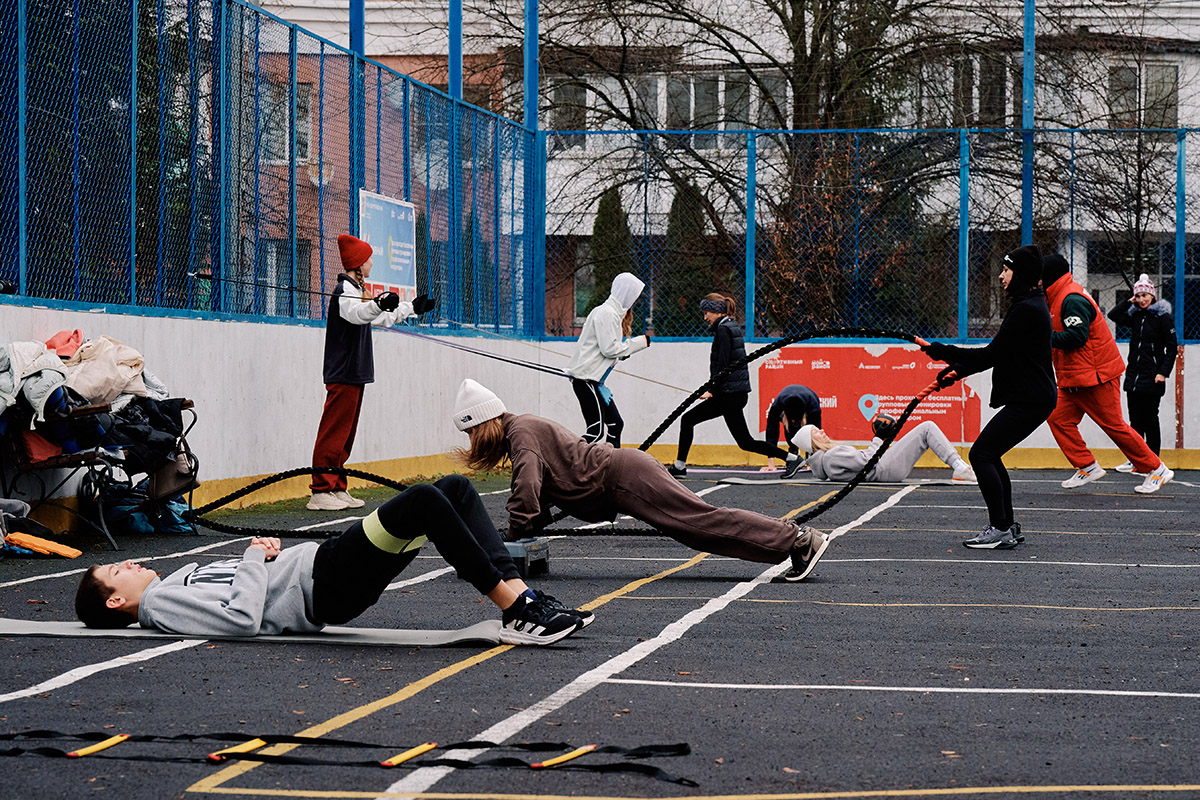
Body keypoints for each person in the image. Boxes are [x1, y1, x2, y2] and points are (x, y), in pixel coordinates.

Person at [74, 476, 588, 645]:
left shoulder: (177, 582)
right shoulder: (160, 604)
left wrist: (262, 557)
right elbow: (240, 620)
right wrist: (254, 556)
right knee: (426, 500)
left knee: (452, 490)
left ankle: (524, 599)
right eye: (119, 571)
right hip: (325, 583)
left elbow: (243, 590)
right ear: (117, 601)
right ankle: (515, 609)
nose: (131, 566)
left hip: (327, 569)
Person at [452, 378, 830, 583]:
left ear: (483, 423)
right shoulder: (523, 428)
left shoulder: (521, 435)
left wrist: (512, 533)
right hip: (625, 475)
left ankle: (797, 540)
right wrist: (523, 526)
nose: (472, 442)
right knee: (698, 526)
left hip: (624, 478)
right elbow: (546, 489)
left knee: (701, 523)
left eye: (471, 433)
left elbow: (526, 489)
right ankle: (794, 540)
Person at [919, 245, 1057, 549]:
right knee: (989, 454)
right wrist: (956, 370)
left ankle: (1001, 528)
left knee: (981, 454)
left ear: (1021, 274)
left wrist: (944, 353)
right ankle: (1006, 526)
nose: (1001, 276)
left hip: (1032, 399)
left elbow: (990, 355)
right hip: (1034, 397)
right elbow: (1001, 354)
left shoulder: (1026, 309)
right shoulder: (1028, 305)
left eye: (1006, 270)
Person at [308, 234, 436, 511]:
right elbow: (357, 314)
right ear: (358, 264)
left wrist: (411, 308)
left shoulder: (357, 289)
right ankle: (320, 491)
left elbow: (378, 316)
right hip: (343, 371)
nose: (372, 263)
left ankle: (336, 486)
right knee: (334, 432)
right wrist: (378, 303)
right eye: (368, 259)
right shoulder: (344, 289)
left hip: (356, 371)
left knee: (345, 435)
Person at [1040, 254, 1173, 494]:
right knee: (1057, 417)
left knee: (1115, 426)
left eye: (1039, 276)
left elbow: (1076, 337)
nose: (1037, 281)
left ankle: (1157, 469)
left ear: (1048, 276)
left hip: (1096, 376)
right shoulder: (1059, 296)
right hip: (1077, 377)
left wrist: (1042, 337)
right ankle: (1087, 466)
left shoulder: (1071, 298)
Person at [668, 293, 802, 479]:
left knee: (688, 420)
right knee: (745, 442)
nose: (705, 317)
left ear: (717, 312)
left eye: (706, 313)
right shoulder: (731, 325)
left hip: (729, 395)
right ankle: (792, 458)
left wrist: (712, 391)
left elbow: (724, 365)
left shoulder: (723, 330)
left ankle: (679, 466)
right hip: (734, 394)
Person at [564, 272, 650, 447]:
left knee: (616, 424)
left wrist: (624, 352)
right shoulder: (607, 313)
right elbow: (610, 349)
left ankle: (611, 463)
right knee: (595, 432)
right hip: (586, 380)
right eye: (634, 296)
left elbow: (610, 348)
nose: (634, 301)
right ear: (626, 293)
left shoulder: (610, 313)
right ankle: (567, 460)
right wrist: (640, 343)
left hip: (595, 382)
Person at [1106, 273, 1177, 470]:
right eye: (1138, 296)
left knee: (1150, 420)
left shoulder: (1163, 318)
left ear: (1152, 295)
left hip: (1153, 377)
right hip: (1134, 377)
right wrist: (1128, 301)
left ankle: (1153, 461)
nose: (1141, 299)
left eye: (1145, 295)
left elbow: (1172, 348)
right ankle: (1135, 459)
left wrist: (1163, 372)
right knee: (1135, 421)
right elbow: (1113, 315)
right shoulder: (1136, 316)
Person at [789, 417, 977, 484]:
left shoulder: (827, 460)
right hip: (884, 468)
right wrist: (879, 437)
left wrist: (882, 440)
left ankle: (961, 468)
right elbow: (867, 461)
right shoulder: (831, 456)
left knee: (924, 430)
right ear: (812, 443)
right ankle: (960, 468)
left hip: (883, 468)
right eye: (816, 432)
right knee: (927, 428)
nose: (822, 431)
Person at [762, 384, 823, 471]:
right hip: (786, 408)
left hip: (809, 400)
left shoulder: (812, 405)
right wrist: (771, 463)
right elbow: (772, 432)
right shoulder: (777, 407)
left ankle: (810, 457)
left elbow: (816, 433)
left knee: (812, 432)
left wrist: (814, 460)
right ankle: (793, 452)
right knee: (790, 431)